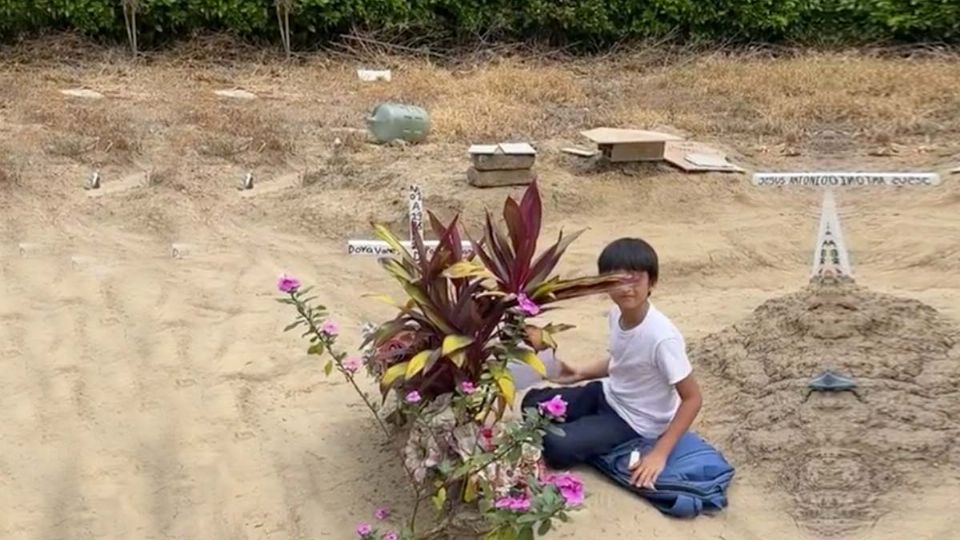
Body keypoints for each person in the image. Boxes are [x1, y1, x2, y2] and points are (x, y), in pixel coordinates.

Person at [521, 237, 702, 489]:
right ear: (603, 284)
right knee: (531, 403)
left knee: (557, 448)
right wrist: (580, 373)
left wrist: (659, 454)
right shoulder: (617, 314)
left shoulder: (662, 338)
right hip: (607, 393)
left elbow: (693, 398)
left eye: (635, 278)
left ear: (653, 282)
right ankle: (585, 429)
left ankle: (589, 435)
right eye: (617, 280)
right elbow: (625, 360)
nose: (627, 288)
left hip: (634, 419)